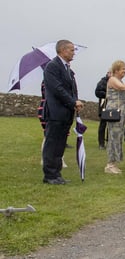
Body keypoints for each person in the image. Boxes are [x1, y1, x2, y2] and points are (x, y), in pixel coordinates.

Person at [41, 40, 83, 185]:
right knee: (52, 144)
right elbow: (57, 89)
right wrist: (72, 102)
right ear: (62, 50)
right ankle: (49, 175)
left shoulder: (68, 69)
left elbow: (72, 89)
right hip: (55, 112)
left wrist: (76, 101)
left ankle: (56, 174)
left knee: (60, 145)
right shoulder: (52, 67)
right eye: (71, 50)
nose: (73, 53)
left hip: (66, 113)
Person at [94, 71, 111, 150]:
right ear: (107, 73)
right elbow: (97, 92)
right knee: (103, 125)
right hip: (104, 105)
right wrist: (106, 94)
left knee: (110, 125)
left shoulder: (115, 81)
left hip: (112, 106)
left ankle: (109, 142)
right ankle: (101, 143)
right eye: (110, 73)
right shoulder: (102, 82)